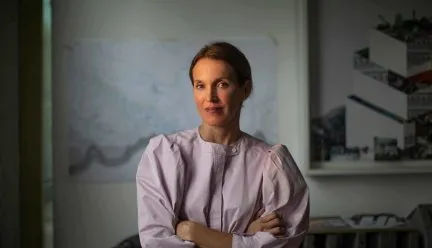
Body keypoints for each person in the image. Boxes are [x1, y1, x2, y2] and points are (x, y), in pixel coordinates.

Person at [136, 41, 309, 248]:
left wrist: (194, 232)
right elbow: (156, 244)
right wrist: (246, 235)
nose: (210, 97)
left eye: (222, 84)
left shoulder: (273, 164)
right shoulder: (163, 156)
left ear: (245, 90)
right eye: (200, 85)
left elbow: (284, 244)